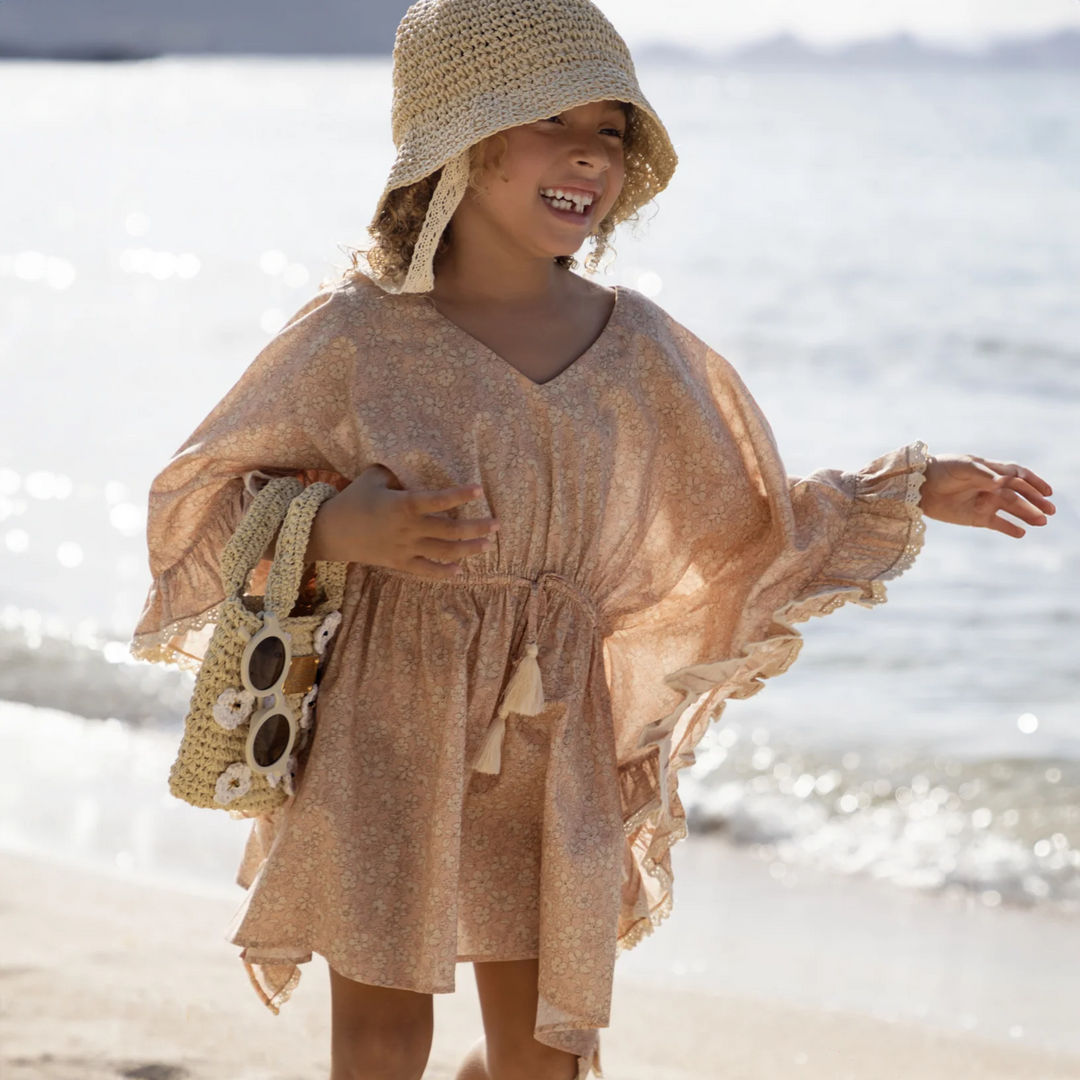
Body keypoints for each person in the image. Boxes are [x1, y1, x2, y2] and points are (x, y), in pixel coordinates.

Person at [129, 1, 1056, 1077]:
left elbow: (748, 527)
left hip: (555, 725)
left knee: (548, 1053)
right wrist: (339, 525)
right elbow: (204, 499)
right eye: (549, 121)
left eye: (611, 130)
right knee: (383, 1042)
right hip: (389, 718)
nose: (588, 154)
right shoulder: (356, 335)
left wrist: (907, 487)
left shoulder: (644, 352)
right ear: (461, 141)